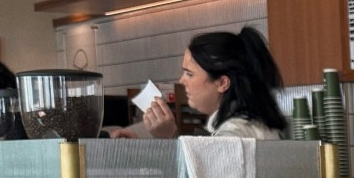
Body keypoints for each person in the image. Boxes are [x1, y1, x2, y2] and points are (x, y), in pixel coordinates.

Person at [116, 28, 287, 140]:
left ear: (222, 83)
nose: (181, 80)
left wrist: (169, 138)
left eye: (189, 73)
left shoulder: (233, 134)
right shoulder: (245, 124)